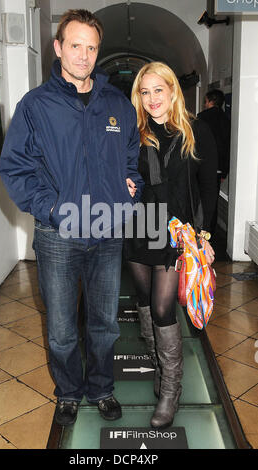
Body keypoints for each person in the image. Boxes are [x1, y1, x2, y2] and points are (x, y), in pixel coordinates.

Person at [0, 9, 143, 427]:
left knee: (105, 324)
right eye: (75, 45)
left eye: (91, 47)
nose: (83, 55)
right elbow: (16, 169)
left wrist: (129, 188)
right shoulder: (35, 106)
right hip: (57, 236)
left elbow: (131, 158)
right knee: (62, 329)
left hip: (107, 233)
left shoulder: (117, 104)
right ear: (59, 47)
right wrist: (53, 209)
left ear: (99, 51)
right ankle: (67, 392)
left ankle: (101, 388)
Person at [123, 62, 217, 429]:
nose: (151, 99)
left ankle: (170, 390)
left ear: (173, 90)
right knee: (145, 304)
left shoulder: (197, 131)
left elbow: (208, 186)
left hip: (175, 233)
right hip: (138, 226)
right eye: (144, 92)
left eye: (157, 90)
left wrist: (204, 236)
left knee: (164, 308)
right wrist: (125, 185)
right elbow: (126, 174)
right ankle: (160, 370)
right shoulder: (135, 131)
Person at [198, 89, 231, 235]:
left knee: (199, 197)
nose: (205, 104)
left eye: (205, 101)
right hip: (218, 167)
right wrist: (224, 170)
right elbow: (227, 146)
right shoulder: (226, 119)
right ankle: (209, 231)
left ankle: (198, 227)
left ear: (210, 101)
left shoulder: (201, 118)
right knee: (212, 199)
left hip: (201, 165)